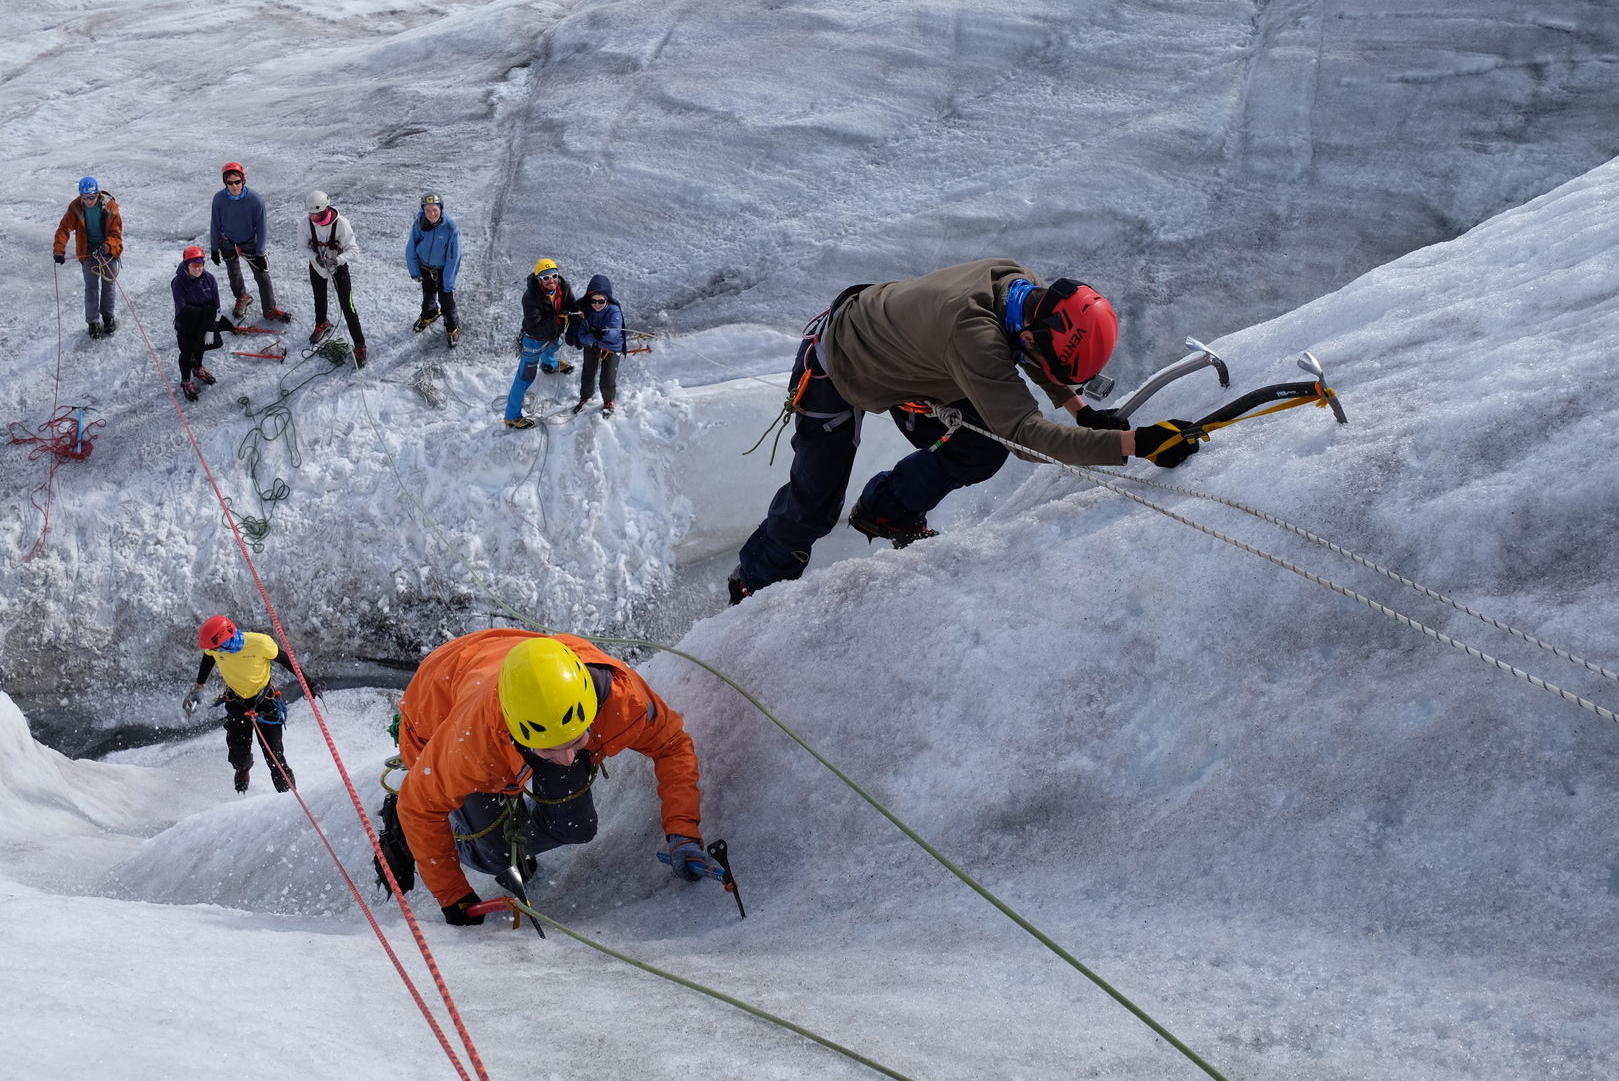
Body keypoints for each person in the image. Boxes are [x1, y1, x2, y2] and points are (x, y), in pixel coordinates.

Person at [729, 258, 1203, 604]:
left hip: (912, 361)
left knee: (980, 444)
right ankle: (754, 582)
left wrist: (1080, 410)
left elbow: (1034, 359)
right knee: (814, 506)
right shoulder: (975, 335)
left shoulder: (1024, 290)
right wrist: (1133, 444)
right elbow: (1027, 436)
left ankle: (886, 511)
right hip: (839, 363)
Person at [389, 629, 711, 926]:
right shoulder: (471, 740)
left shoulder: (622, 698)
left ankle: (515, 842)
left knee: (577, 826)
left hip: (521, 673)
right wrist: (453, 895)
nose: (568, 758)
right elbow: (419, 805)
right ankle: (422, 835)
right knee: (495, 854)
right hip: (437, 706)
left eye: (576, 742)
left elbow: (672, 745)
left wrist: (682, 831)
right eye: (550, 751)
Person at [182, 615, 314, 794]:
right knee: (238, 755)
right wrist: (199, 686)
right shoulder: (216, 647)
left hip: (265, 703)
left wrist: (307, 681)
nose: (217, 651)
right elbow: (208, 658)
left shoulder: (260, 643)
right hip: (236, 702)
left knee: (275, 758)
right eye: (214, 648)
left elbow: (285, 660)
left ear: (228, 636)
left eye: (218, 647)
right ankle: (243, 768)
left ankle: (288, 798)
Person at [208, 162, 290, 323]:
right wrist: (214, 248)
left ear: (243, 180)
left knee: (263, 277)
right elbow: (215, 223)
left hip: (249, 243)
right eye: (229, 182)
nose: (234, 186)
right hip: (227, 242)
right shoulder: (219, 199)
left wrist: (260, 252)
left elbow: (262, 228)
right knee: (233, 273)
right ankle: (242, 297)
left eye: (237, 181)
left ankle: (270, 309)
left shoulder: (255, 200)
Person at [504, 258, 575, 429]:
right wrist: (558, 321)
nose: (551, 280)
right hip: (534, 340)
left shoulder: (563, 287)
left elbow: (571, 304)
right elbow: (535, 328)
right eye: (546, 278)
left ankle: (549, 365)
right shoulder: (530, 298)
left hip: (553, 333)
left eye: (554, 276)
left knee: (552, 347)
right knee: (525, 377)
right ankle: (511, 416)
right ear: (538, 279)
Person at [301, 189, 367, 367]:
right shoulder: (305, 224)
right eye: (310, 213)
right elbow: (302, 246)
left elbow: (354, 249)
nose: (312, 217)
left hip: (338, 268)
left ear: (324, 210)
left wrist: (337, 260)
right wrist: (315, 258)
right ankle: (322, 323)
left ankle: (359, 344)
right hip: (317, 266)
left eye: (315, 214)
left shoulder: (342, 224)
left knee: (347, 305)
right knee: (319, 295)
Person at [52, 175, 123, 339]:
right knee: (91, 288)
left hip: (108, 250)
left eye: (92, 197)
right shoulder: (76, 208)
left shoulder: (110, 207)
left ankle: (108, 317)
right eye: (85, 198)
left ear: (97, 195)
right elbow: (63, 229)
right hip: (88, 252)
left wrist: (107, 247)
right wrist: (59, 250)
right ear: (81, 196)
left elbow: (116, 233)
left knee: (109, 285)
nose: (89, 201)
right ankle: (92, 322)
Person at [169, 245, 237, 401]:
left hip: (204, 322)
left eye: (201, 265)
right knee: (187, 353)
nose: (198, 269)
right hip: (186, 324)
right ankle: (186, 381)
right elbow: (183, 308)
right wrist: (207, 313)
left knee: (201, 347)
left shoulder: (209, 279)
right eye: (194, 265)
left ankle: (198, 368)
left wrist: (211, 328)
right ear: (187, 265)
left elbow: (217, 307)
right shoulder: (178, 282)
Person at [405, 191, 461, 348]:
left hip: (443, 270)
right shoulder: (419, 223)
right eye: (427, 210)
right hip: (425, 267)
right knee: (428, 292)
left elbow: (454, 257)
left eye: (435, 209)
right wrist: (414, 270)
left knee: (446, 300)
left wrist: (448, 281)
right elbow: (411, 246)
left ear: (441, 208)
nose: (431, 213)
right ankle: (430, 313)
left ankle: (452, 327)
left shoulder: (451, 228)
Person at [566, 274, 626, 417]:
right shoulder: (585, 311)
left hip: (611, 347)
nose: (597, 304)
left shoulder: (614, 311)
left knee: (607, 379)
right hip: (593, 344)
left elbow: (614, 335)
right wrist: (594, 337)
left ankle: (608, 401)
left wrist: (601, 335)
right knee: (588, 371)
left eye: (601, 301)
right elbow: (581, 336)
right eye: (594, 301)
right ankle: (585, 396)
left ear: (607, 299)